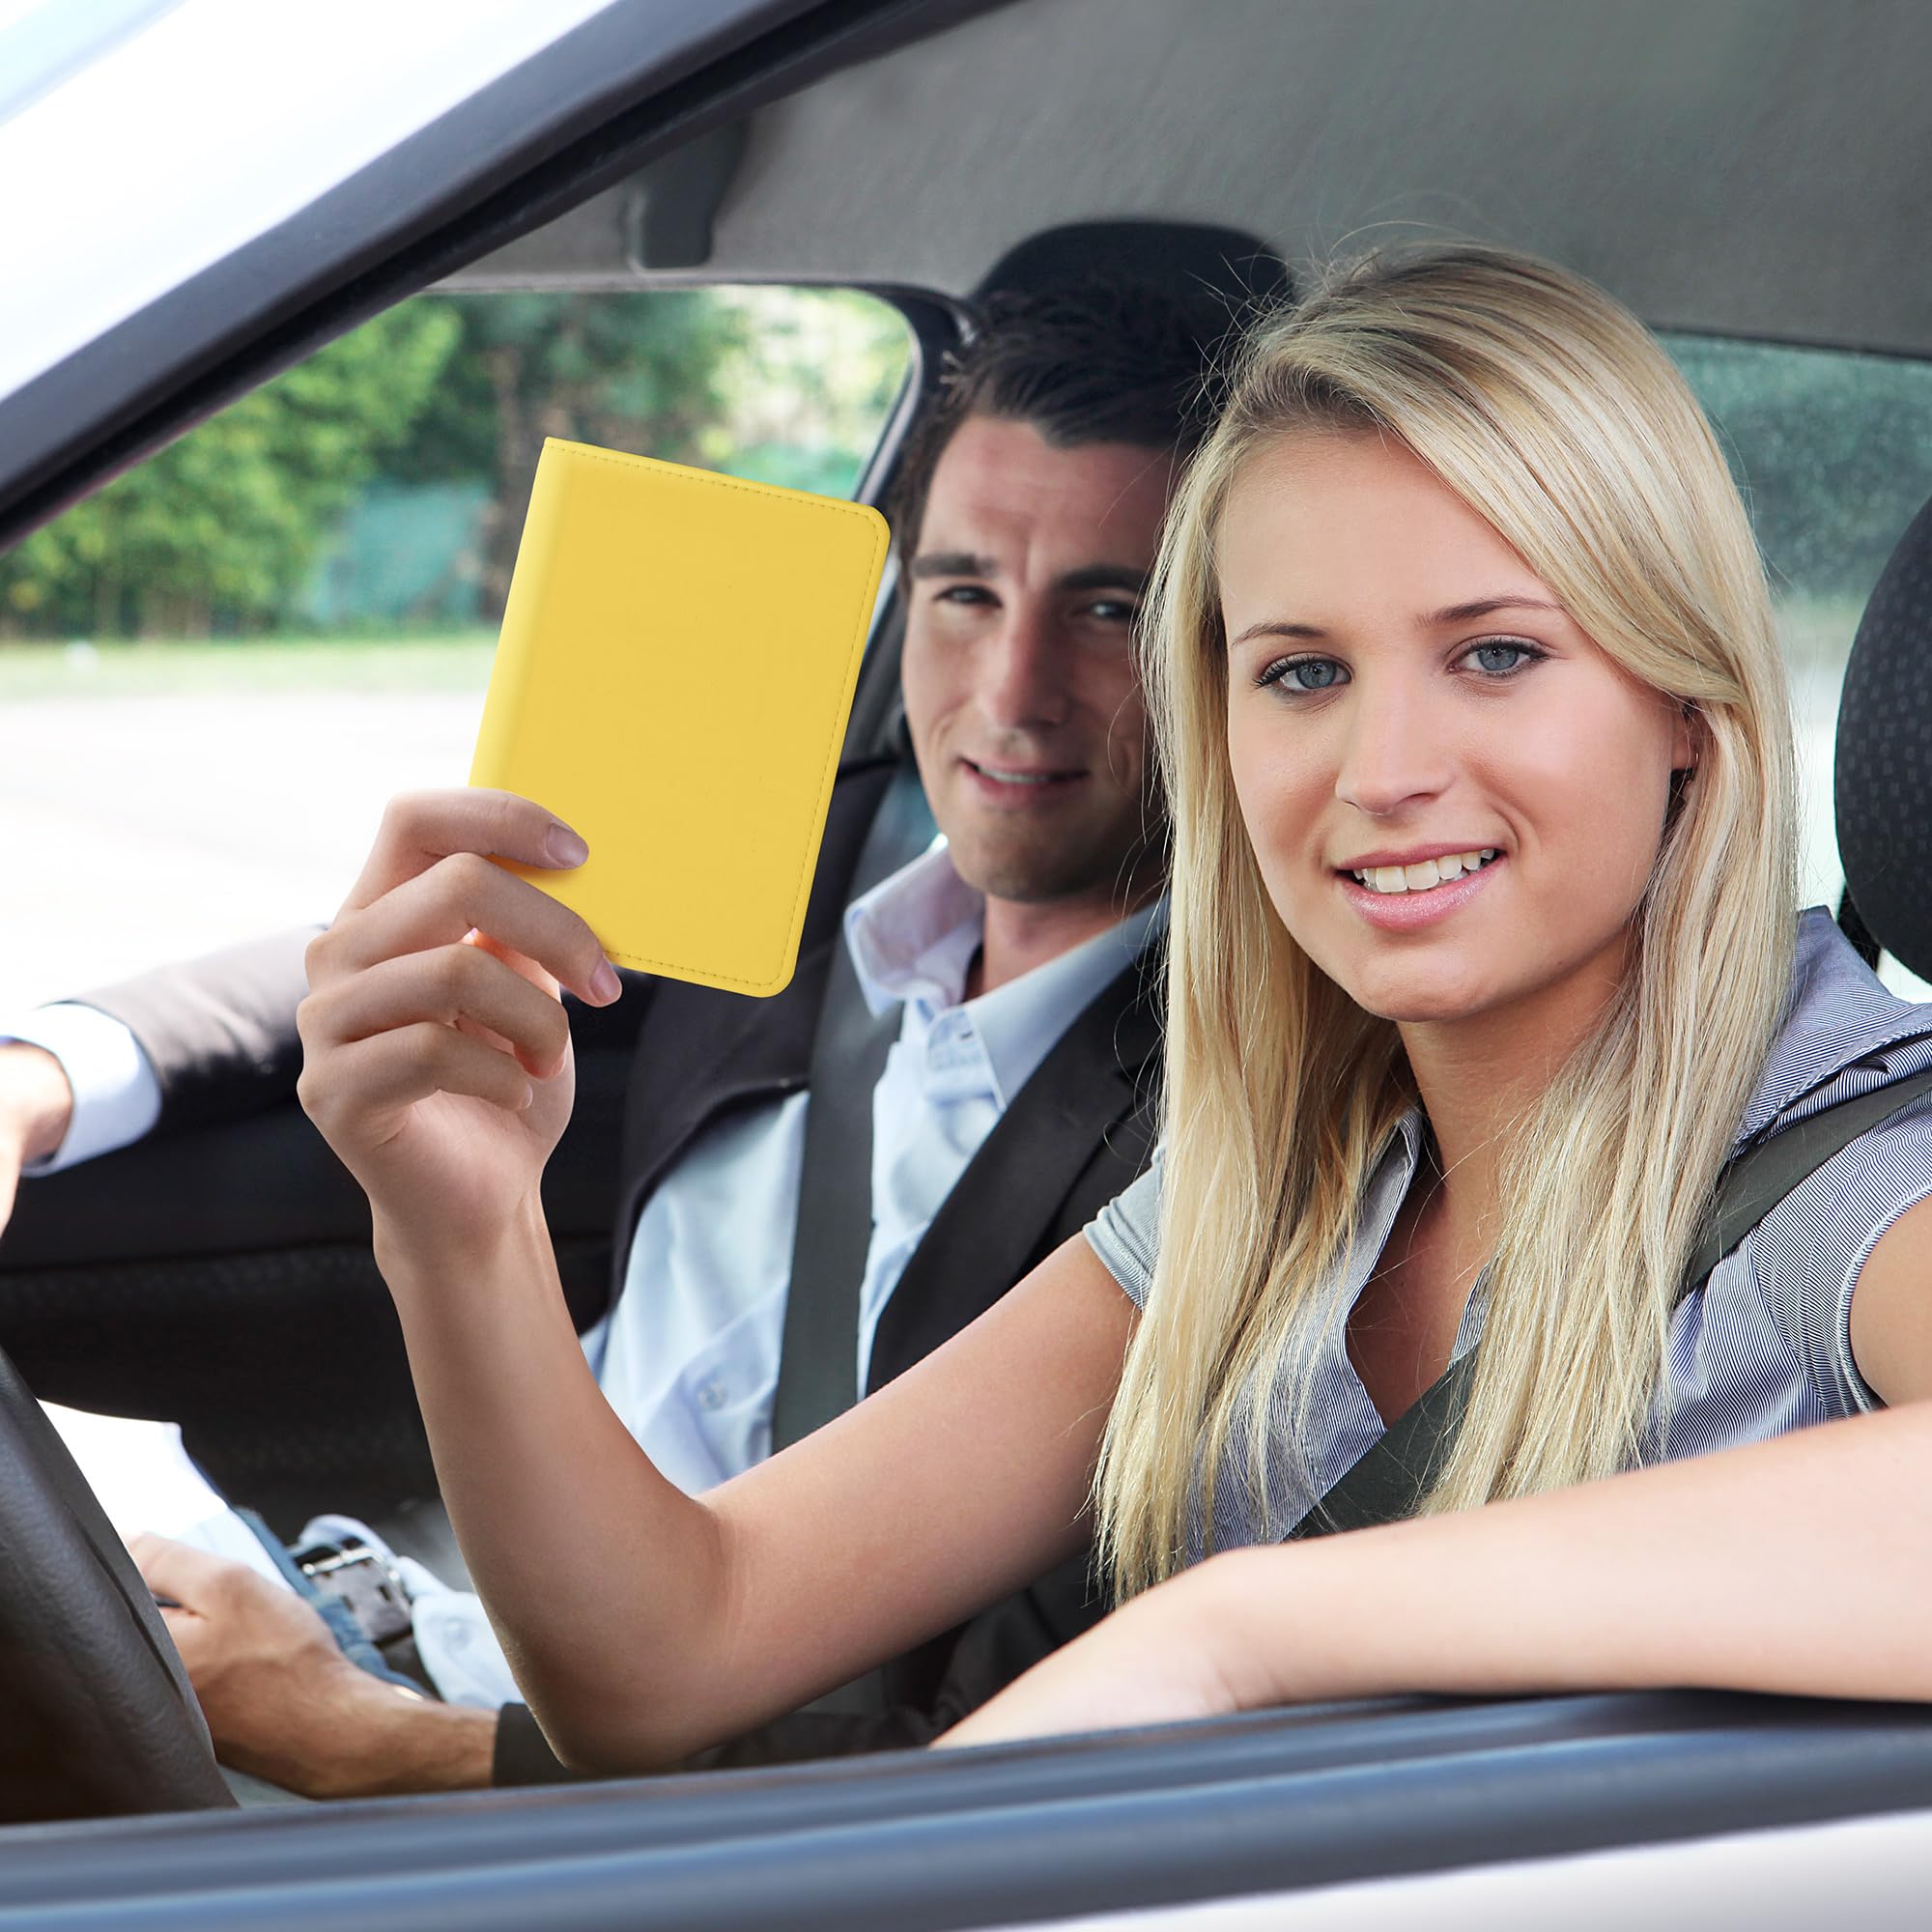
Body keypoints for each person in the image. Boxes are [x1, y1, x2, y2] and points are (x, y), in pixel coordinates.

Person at [288, 242, 1932, 1775]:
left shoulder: (1848, 1177)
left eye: (1496, 656)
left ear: (1690, 712)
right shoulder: (1276, 1197)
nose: (1384, 773)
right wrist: (461, 1235)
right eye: (1301, 672)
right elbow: (667, 1655)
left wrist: (1240, 1638)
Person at [0, 282, 1214, 1792]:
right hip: (419, 1615)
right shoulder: (802, 858)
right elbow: (406, 950)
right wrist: (44, 1072)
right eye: (964, 591)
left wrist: (367, 1743)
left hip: (596, 1788)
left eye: (1108, 609)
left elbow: (961, 1759)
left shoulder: (1224, 1135)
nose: (1011, 692)